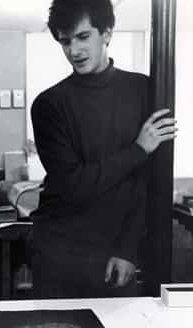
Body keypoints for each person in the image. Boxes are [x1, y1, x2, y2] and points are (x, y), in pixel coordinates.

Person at [31, 0, 177, 299]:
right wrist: (139, 150)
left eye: (83, 37)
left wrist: (127, 248)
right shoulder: (49, 104)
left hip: (116, 248)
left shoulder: (146, 91)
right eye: (65, 41)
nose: (74, 51)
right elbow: (73, 186)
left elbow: (146, 183)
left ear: (106, 34)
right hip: (60, 248)